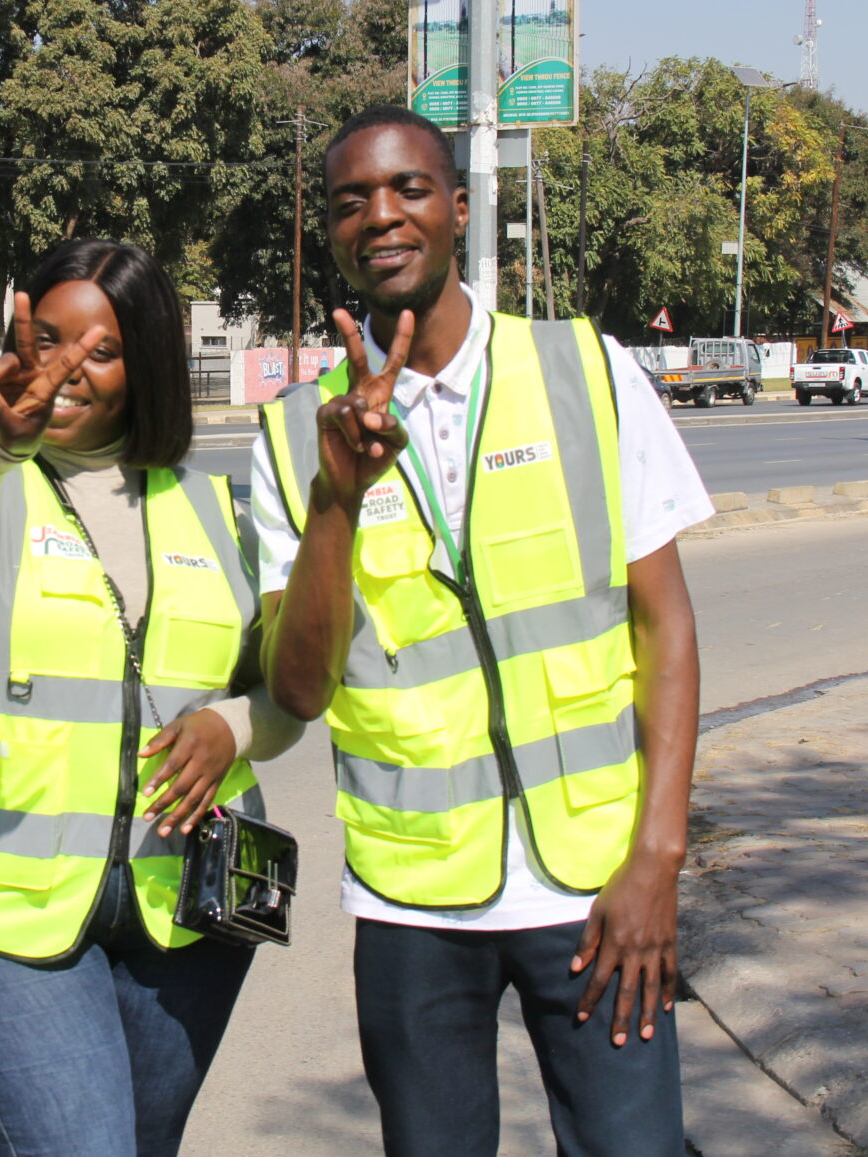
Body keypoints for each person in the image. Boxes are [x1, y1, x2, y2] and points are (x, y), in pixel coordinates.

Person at [253, 105, 711, 1157]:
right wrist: (335, 498)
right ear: (329, 233)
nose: (381, 215)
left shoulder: (582, 372)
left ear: (457, 209)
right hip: (415, 903)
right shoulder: (291, 435)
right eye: (349, 201)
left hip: (592, 882)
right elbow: (300, 689)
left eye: (407, 189)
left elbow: (665, 629)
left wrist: (657, 858)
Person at [0, 238, 302, 1157]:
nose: (65, 369)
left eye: (100, 350)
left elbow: (285, 698)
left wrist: (233, 726)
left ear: (147, 361)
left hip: (187, 921)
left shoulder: (217, 508)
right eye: (44, 340)